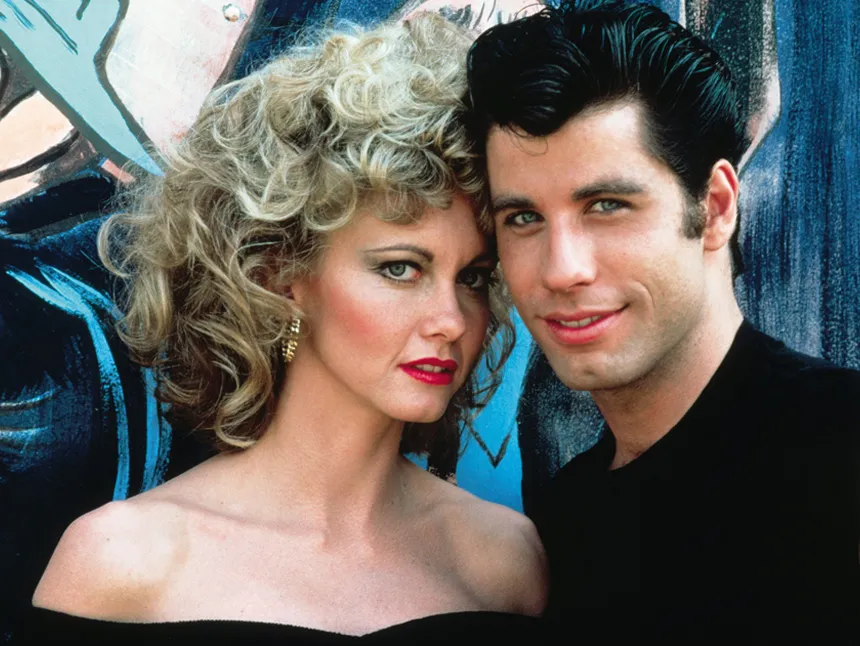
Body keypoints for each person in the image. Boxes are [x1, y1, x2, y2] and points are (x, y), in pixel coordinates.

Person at [18, 14, 547, 642]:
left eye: (473, 278)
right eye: (400, 268)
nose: (451, 321)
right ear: (280, 275)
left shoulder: (502, 562)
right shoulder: (124, 563)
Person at [466, 0, 860, 640]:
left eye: (607, 205)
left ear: (715, 207)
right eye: (524, 218)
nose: (561, 270)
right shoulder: (565, 525)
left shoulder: (842, 452)